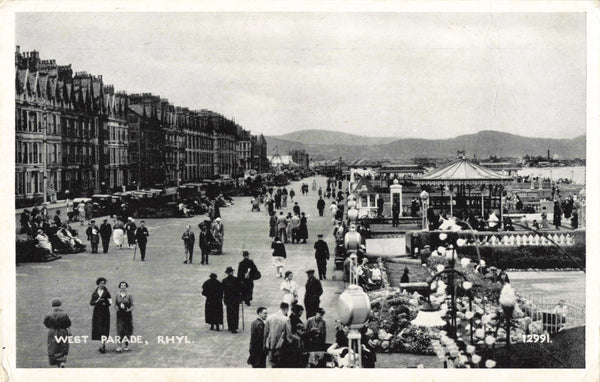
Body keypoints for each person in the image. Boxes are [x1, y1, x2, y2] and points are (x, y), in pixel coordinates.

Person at [264, 302, 293, 368]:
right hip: (281, 346)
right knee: (280, 364)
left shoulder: (269, 317)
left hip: (271, 345)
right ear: (286, 309)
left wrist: (265, 345)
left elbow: (265, 333)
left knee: (272, 364)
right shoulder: (286, 319)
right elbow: (289, 335)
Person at [44, 298, 71, 367]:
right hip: (62, 331)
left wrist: (51, 327)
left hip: (52, 331)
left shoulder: (49, 314)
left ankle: (55, 361)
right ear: (60, 305)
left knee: (52, 346)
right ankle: (62, 361)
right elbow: (68, 323)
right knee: (63, 346)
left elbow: (45, 323)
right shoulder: (64, 314)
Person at [90, 277, 111, 353]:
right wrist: (96, 301)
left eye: (103, 283)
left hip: (105, 312)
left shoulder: (107, 292)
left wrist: (105, 302)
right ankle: (102, 344)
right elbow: (91, 303)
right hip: (97, 312)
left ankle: (103, 345)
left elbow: (110, 302)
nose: (102, 285)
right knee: (98, 328)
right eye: (101, 283)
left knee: (104, 328)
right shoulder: (95, 293)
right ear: (98, 284)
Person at [115, 281, 134, 353]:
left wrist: (129, 310)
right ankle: (119, 346)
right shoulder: (117, 295)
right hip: (120, 315)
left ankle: (126, 345)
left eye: (124, 285)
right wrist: (118, 308)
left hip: (127, 314)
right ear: (119, 287)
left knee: (128, 329)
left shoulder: (129, 295)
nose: (123, 286)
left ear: (126, 286)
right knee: (120, 330)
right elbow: (115, 304)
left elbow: (132, 304)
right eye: (121, 285)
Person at [222, 266, 242, 333]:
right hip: (235, 298)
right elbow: (240, 289)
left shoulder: (224, 280)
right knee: (235, 313)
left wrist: (223, 298)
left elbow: (222, 290)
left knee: (229, 312)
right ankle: (234, 327)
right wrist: (240, 297)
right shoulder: (236, 279)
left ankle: (230, 326)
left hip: (228, 299)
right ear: (232, 272)